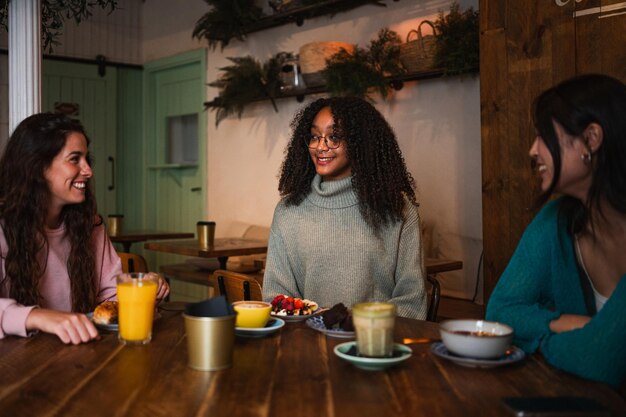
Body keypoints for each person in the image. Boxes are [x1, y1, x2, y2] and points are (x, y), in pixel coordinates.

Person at [486, 74, 626, 388]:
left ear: (591, 138)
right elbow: (499, 312)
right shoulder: (556, 220)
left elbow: (601, 360)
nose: (533, 150)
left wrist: (543, 339)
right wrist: (581, 326)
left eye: (544, 134)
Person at [0, 113, 169, 345]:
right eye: (74, 159)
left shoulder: (89, 225)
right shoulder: (3, 227)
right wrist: (36, 316)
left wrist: (144, 290)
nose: (88, 170)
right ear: (37, 167)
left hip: (77, 358)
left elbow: (111, 297)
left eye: (87, 159)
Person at [262, 97, 427, 319]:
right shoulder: (288, 211)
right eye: (314, 136)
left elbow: (412, 301)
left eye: (334, 137)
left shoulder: (398, 209)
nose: (321, 146)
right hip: (306, 344)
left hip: (374, 346)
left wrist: (356, 329)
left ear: (361, 142)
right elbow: (276, 298)